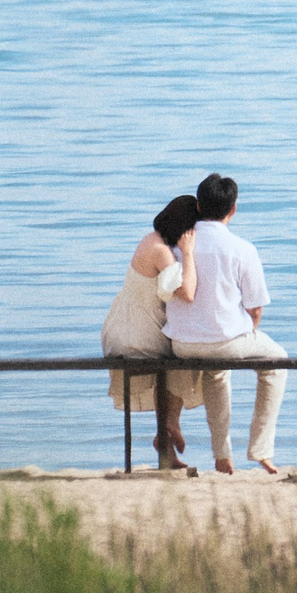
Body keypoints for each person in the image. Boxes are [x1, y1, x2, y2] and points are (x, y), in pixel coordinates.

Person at [164, 172, 287, 475]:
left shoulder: (176, 247)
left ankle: (222, 457)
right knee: (278, 363)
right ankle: (260, 449)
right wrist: (249, 331)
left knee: (216, 373)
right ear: (233, 209)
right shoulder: (242, 249)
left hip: (181, 345)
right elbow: (255, 308)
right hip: (226, 341)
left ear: (199, 206)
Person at [101, 193, 204, 471]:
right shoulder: (160, 251)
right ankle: (170, 425)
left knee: (179, 351)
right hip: (134, 335)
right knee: (185, 353)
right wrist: (190, 253)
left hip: (129, 327)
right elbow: (188, 292)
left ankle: (167, 440)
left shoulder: (153, 240)